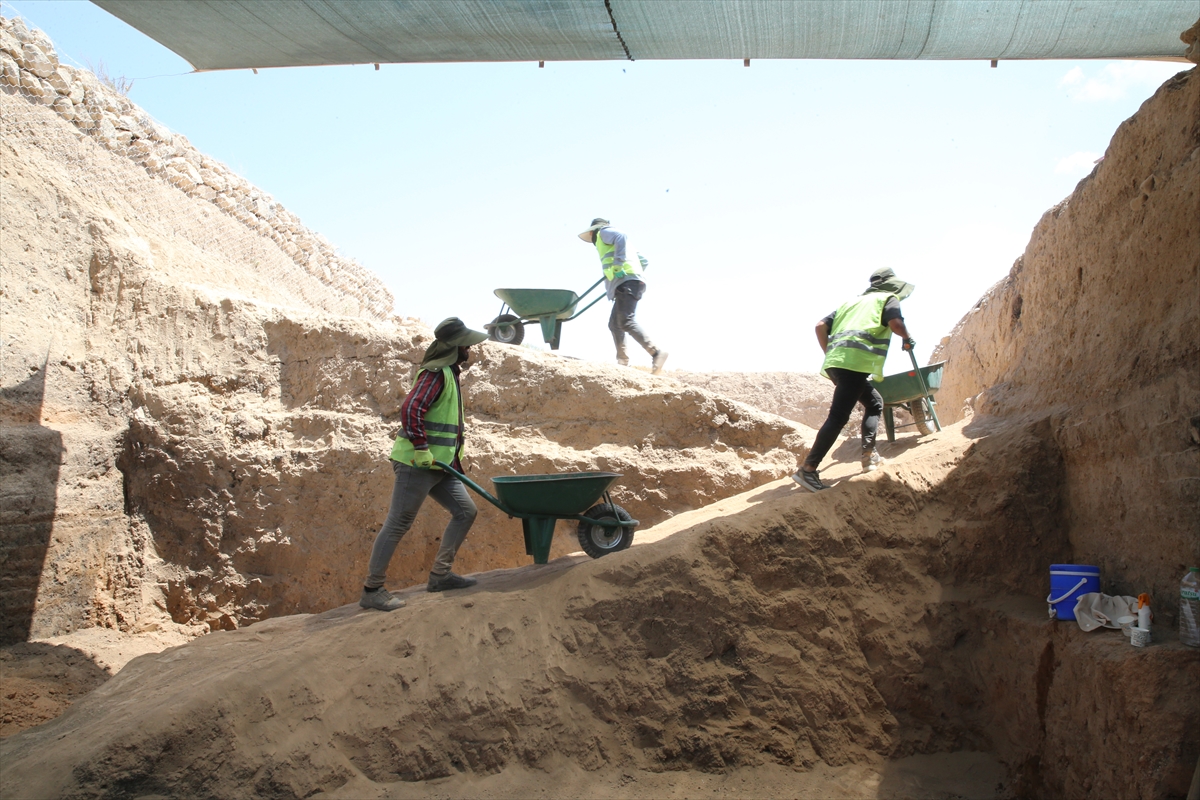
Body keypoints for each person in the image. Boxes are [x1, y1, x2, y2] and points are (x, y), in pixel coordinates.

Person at [359, 317, 488, 611]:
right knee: (399, 522)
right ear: (456, 346)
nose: (470, 347)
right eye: (466, 343)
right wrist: (420, 448)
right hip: (416, 463)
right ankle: (372, 589)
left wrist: (447, 460)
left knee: (465, 511)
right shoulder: (435, 373)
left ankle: (441, 575)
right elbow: (411, 408)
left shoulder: (450, 375)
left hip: (440, 466)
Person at [793, 268, 917, 493]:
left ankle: (869, 456)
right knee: (838, 416)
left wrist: (830, 353)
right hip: (854, 364)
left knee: (874, 403)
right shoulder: (887, 299)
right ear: (891, 285)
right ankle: (808, 469)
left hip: (837, 363)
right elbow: (896, 324)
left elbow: (820, 326)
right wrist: (907, 338)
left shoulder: (850, 304)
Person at [578, 218, 669, 374]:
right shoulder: (626, 247)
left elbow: (621, 235)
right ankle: (623, 362)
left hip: (628, 283)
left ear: (593, 231)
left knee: (626, 321)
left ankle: (656, 353)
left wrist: (619, 266)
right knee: (615, 324)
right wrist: (632, 274)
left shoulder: (603, 232)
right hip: (629, 282)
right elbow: (644, 261)